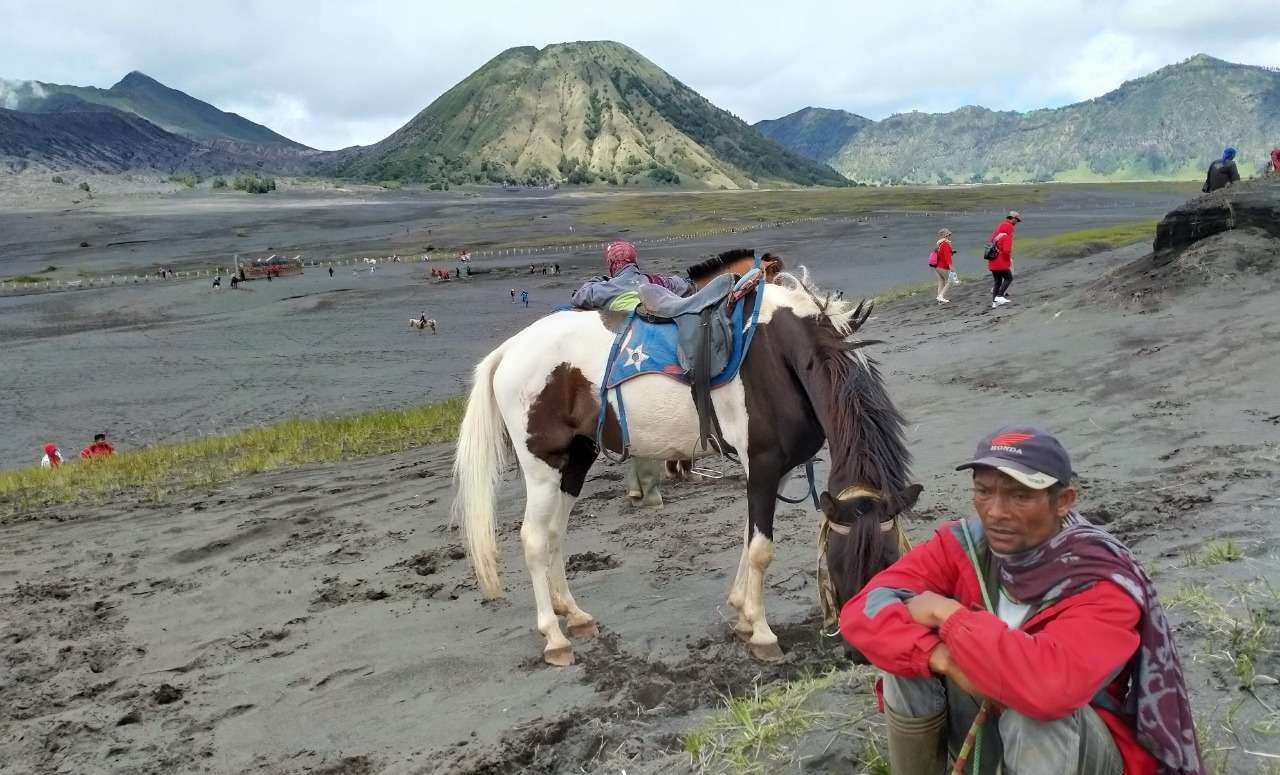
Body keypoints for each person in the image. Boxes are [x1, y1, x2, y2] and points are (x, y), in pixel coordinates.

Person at [841, 427, 1203, 775]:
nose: (996, 512)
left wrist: (948, 614)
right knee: (906, 670)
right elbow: (864, 610)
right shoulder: (964, 544)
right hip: (989, 724)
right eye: (984, 492)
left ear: (1063, 501)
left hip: (1078, 751)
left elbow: (1047, 688)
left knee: (1036, 715)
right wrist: (944, 659)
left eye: (1020, 496)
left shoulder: (1102, 582)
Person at [571, 240, 692, 312]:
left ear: (611, 264)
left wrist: (601, 279)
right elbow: (684, 285)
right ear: (634, 260)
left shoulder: (603, 289)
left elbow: (578, 296)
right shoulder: (658, 282)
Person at [986, 211, 1019, 308]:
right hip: (1001, 263)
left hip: (992, 262)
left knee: (997, 281)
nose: (1013, 230)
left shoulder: (996, 237)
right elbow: (1006, 251)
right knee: (1009, 278)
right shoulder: (1007, 237)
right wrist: (1009, 261)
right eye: (1012, 230)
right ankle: (1000, 296)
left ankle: (994, 302)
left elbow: (992, 243)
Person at [931, 228, 955, 304]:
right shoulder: (945, 244)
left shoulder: (939, 244)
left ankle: (939, 300)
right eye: (949, 235)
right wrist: (952, 268)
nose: (950, 236)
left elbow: (941, 255)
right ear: (946, 235)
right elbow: (947, 257)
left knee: (941, 281)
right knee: (949, 281)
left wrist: (951, 252)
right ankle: (941, 296)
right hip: (942, 266)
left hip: (936, 266)